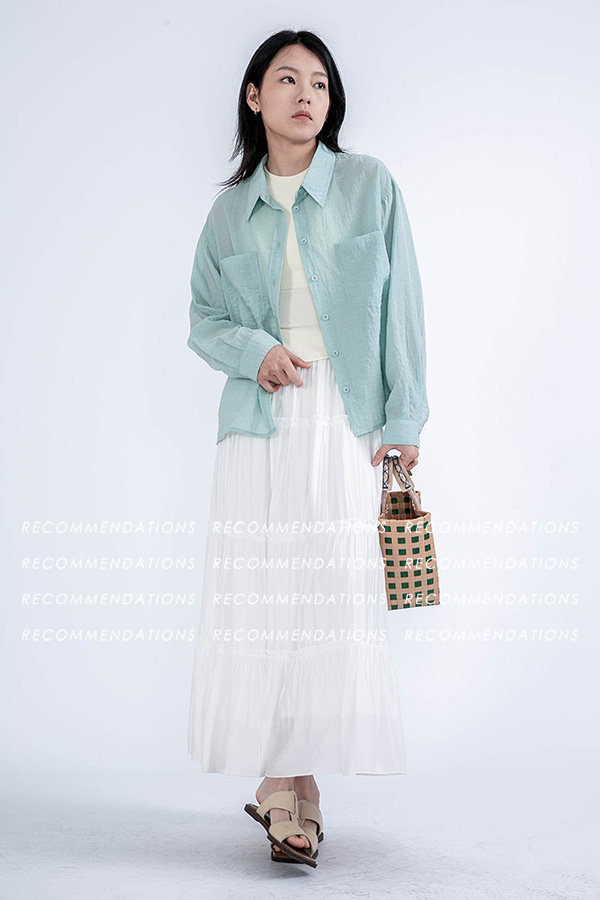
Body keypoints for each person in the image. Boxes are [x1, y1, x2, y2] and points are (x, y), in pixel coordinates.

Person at [186, 29, 429, 868]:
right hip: (260, 419)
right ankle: (288, 782)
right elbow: (204, 319)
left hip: (344, 416)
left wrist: (404, 422)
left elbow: (402, 306)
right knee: (264, 598)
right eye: (287, 80)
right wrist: (254, 349)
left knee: (327, 593)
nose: (305, 95)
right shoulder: (229, 213)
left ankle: (291, 781)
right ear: (254, 97)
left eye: (319, 83)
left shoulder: (368, 185)